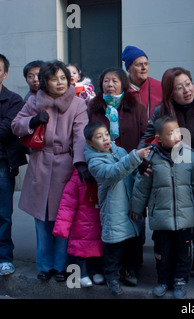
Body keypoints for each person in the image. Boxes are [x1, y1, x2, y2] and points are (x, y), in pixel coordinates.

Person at [138, 67, 194, 277]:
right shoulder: (161, 111)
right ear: (170, 92)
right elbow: (146, 138)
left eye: (188, 83)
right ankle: (174, 263)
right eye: (179, 87)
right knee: (179, 220)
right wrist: (144, 161)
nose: (187, 90)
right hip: (173, 171)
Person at [11, 60, 90, 282]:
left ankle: (61, 266)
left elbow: (80, 135)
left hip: (65, 164)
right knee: (41, 218)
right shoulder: (34, 101)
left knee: (62, 218)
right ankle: (44, 266)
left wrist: (81, 163)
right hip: (39, 163)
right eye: (55, 78)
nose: (60, 82)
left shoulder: (77, 104)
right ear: (45, 81)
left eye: (63, 78)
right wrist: (33, 120)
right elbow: (15, 125)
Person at [132, 116, 194, 299]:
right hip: (161, 220)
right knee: (162, 252)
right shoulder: (151, 158)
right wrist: (136, 209)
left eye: (178, 130)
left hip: (185, 218)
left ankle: (180, 280)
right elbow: (141, 187)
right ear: (159, 138)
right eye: (171, 133)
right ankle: (163, 280)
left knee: (184, 252)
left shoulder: (190, 154)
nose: (177, 135)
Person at [83, 121, 151, 296]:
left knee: (132, 244)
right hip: (114, 211)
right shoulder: (94, 162)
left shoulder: (119, 151)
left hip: (130, 208)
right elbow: (113, 173)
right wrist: (135, 157)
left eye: (106, 134)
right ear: (90, 143)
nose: (105, 138)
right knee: (114, 247)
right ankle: (112, 277)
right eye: (99, 137)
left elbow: (133, 173)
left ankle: (129, 271)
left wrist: (141, 169)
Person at [52, 168, 104, 288]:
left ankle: (96, 270)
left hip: (98, 219)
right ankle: (83, 273)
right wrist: (62, 226)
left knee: (97, 247)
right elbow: (68, 203)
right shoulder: (77, 176)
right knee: (81, 249)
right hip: (81, 222)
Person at [0, 54, 27, 276]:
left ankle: (4, 258)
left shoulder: (14, 100)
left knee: (3, 214)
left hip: (2, 164)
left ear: (5, 73)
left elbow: (6, 129)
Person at [121, 45, 163, 119]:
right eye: (139, 65)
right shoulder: (121, 89)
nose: (144, 68)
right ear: (128, 69)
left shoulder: (160, 87)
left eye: (146, 64)